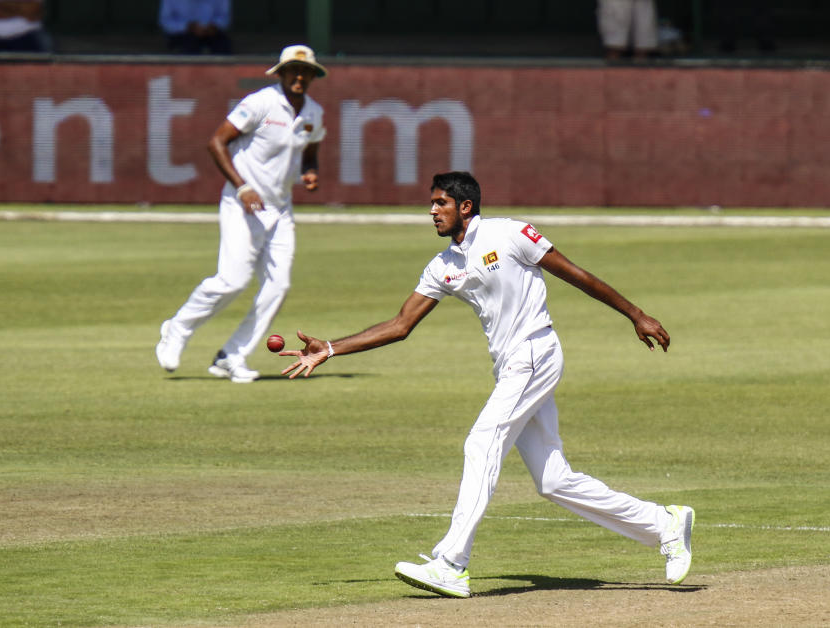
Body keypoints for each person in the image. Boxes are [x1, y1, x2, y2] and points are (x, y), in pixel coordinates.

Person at [280, 171, 694, 598]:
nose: (431, 211)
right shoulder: (443, 265)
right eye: (431, 203)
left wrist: (636, 314)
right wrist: (329, 348)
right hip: (510, 367)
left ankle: (451, 563)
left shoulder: (510, 234)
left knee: (481, 443)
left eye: (439, 203)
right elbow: (400, 325)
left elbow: (576, 275)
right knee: (553, 481)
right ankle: (663, 523)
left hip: (534, 353)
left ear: (465, 207)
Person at [156, 44, 327, 383]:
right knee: (232, 281)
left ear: (312, 76)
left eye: (305, 72)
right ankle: (177, 328)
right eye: (293, 70)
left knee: (278, 287)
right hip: (241, 203)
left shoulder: (314, 113)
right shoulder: (260, 102)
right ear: (280, 73)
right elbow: (216, 142)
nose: (299, 77)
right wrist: (243, 186)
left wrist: (309, 171)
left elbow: (310, 153)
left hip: (280, 211)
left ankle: (231, 356)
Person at [159, 0, 231, 55]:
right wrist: (188, 27)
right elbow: (165, 22)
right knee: (189, 46)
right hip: (182, 34)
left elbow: (224, 18)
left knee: (222, 45)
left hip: (212, 33)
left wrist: (214, 26)